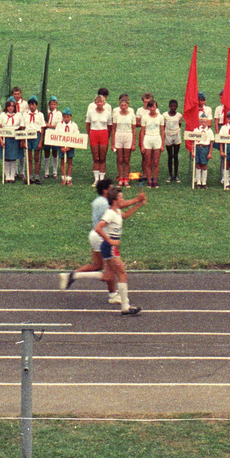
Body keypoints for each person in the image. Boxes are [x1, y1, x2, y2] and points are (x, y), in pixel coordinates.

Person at [61, 176, 132, 305]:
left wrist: (138, 204)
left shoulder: (101, 201)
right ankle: (112, 295)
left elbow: (123, 213)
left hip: (97, 236)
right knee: (108, 271)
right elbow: (119, 205)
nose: (113, 192)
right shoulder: (104, 203)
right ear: (105, 191)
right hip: (101, 236)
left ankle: (72, 275)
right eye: (111, 189)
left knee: (97, 265)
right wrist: (137, 199)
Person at [92, 186, 146, 315]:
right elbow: (98, 228)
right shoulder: (110, 213)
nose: (123, 200)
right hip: (110, 247)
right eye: (121, 198)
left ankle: (75, 275)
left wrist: (139, 204)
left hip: (111, 247)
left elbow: (126, 215)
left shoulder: (116, 212)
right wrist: (110, 241)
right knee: (122, 274)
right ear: (115, 200)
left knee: (109, 275)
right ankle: (125, 307)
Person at [85, 88, 112, 184]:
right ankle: (96, 179)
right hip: (94, 133)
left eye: (101, 102)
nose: (99, 103)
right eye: (97, 102)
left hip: (103, 134)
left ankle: (102, 178)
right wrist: (90, 134)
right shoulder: (91, 112)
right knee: (96, 157)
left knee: (103, 157)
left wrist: (107, 135)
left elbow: (110, 125)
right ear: (95, 103)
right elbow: (87, 123)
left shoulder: (108, 113)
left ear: (104, 103)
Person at [138, 96, 165, 188]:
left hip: (157, 139)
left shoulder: (160, 117)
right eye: (150, 107)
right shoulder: (145, 117)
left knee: (156, 162)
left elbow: (162, 131)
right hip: (147, 139)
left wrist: (162, 144)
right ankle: (149, 180)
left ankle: (155, 180)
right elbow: (142, 132)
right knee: (148, 162)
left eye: (154, 107)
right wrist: (142, 145)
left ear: (156, 107)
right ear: (148, 108)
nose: (152, 108)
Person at [110, 93, 136, 185]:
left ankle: (126, 178)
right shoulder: (116, 115)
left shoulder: (132, 115)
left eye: (125, 105)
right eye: (122, 105)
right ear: (119, 106)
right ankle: (121, 178)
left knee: (127, 159)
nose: (123, 107)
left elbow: (134, 130)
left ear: (128, 106)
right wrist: (112, 143)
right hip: (119, 136)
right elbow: (113, 129)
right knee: (120, 159)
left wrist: (133, 143)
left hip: (128, 136)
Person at [0, 97, 24, 183]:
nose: (11, 108)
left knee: (13, 157)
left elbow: (22, 128)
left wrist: (22, 140)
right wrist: (1, 140)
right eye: (9, 106)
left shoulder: (19, 115)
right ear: (6, 107)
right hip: (6, 137)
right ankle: (7, 176)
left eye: (12, 106)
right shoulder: (2, 115)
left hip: (15, 138)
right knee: (6, 157)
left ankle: (12, 175)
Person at [55, 107, 79, 185]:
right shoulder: (59, 125)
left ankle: (69, 178)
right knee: (62, 161)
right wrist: (61, 147)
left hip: (70, 147)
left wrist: (69, 147)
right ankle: (63, 177)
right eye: (65, 117)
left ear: (71, 116)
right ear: (62, 116)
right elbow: (56, 136)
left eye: (68, 117)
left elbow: (76, 136)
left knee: (69, 161)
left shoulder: (74, 125)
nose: (66, 119)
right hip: (61, 146)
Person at [190, 112, 213, 189]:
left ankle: (204, 182)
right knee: (198, 164)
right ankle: (198, 182)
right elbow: (193, 141)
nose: (203, 123)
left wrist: (210, 153)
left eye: (205, 122)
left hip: (205, 148)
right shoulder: (196, 130)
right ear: (199, 122)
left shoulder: (209, 131)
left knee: (204, 165)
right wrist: (193, 151)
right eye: (202, 122)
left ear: (207, 122)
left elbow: (211, 142)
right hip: (198, 148)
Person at [163, 99, 183, 184]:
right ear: (169, 106)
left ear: (177, 106)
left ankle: (176, 175)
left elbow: (179, 124)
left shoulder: (179, 115)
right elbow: (163, 125)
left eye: (174, 106)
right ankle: (170, 175)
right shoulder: (164, 115)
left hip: (176, 135)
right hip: (168, 135)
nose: (173, 107)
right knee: (170, 156)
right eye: (171, 106)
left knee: (176, 155)